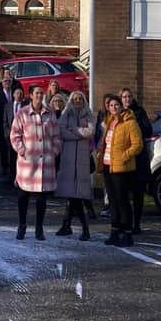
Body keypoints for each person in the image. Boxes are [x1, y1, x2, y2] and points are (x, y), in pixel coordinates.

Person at [10, 85, 62, 241]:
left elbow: (57, 137)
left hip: (45, 164)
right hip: (27, 163)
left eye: (41, 93)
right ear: (31, 95)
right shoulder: (22, 113)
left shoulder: (50, 114)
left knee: (41, 199)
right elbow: (15, 135)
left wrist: (54, 150)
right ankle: (22, 226)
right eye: (37, 93)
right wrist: (22, 150)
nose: (40, 95)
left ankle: (39, 228)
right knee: (23, 197)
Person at [96, 95, 143, 247]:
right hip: (108, 166)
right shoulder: (109, 122)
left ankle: (127, 234)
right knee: (113, 202)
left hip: (121, 168)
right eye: (111, 105)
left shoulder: (130, 122)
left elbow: (138, 145)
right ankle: (115, 231)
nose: (114, 107)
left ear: (121, 106)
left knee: (123, 201)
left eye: (116, 104)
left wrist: (124, 156)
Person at [55, 91, 95, 241]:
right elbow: (61, 131)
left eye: (80, 98)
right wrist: (78, 133)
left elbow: (90, 131)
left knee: (77, 195)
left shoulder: (88, 114)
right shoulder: (67, 114)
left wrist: (74, 131)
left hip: (82, 160)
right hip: (69, 158)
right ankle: (69, 226)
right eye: (75, 99)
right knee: (72, 195)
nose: (78, 101)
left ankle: (78, 228)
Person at [120, 88, 152, 235]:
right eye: (124, 97)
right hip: (124, 159)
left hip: (139, 158)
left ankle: (137, 224)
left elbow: (148, 130)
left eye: (129, 96)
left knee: (138, 193)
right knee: (124, 193)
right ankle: (125, 223)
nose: (127, 99)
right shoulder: (118, 114)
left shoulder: (139, 112)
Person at [95, 93, 115, 218]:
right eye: (107, 103)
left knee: (113, 181)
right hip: (103, 151)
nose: (108, 105)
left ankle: (113, 206)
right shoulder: (101, 116)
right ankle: (107, 204)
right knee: (106, 181)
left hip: (113, 152)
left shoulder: (115, 117)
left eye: (111, 103)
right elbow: (98, 133)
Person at [0, 77, 14, 175]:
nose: (7, 83)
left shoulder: (14, 92)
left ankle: (13, 166)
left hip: (13, 123)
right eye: (5, 81)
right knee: (3, 146)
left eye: (9, 81)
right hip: (1, 123)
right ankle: (4, 166)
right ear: (2, 83)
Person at [4, 87, 27, 183]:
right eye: (17, 93)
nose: (19, 95)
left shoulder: (26, 106)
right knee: (12, 157)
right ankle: (12, 176)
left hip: (24, 136)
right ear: (13, 95)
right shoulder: (7, 106)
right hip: (11, 136)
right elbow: (5, 121)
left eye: (21, 94)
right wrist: (8, 134)